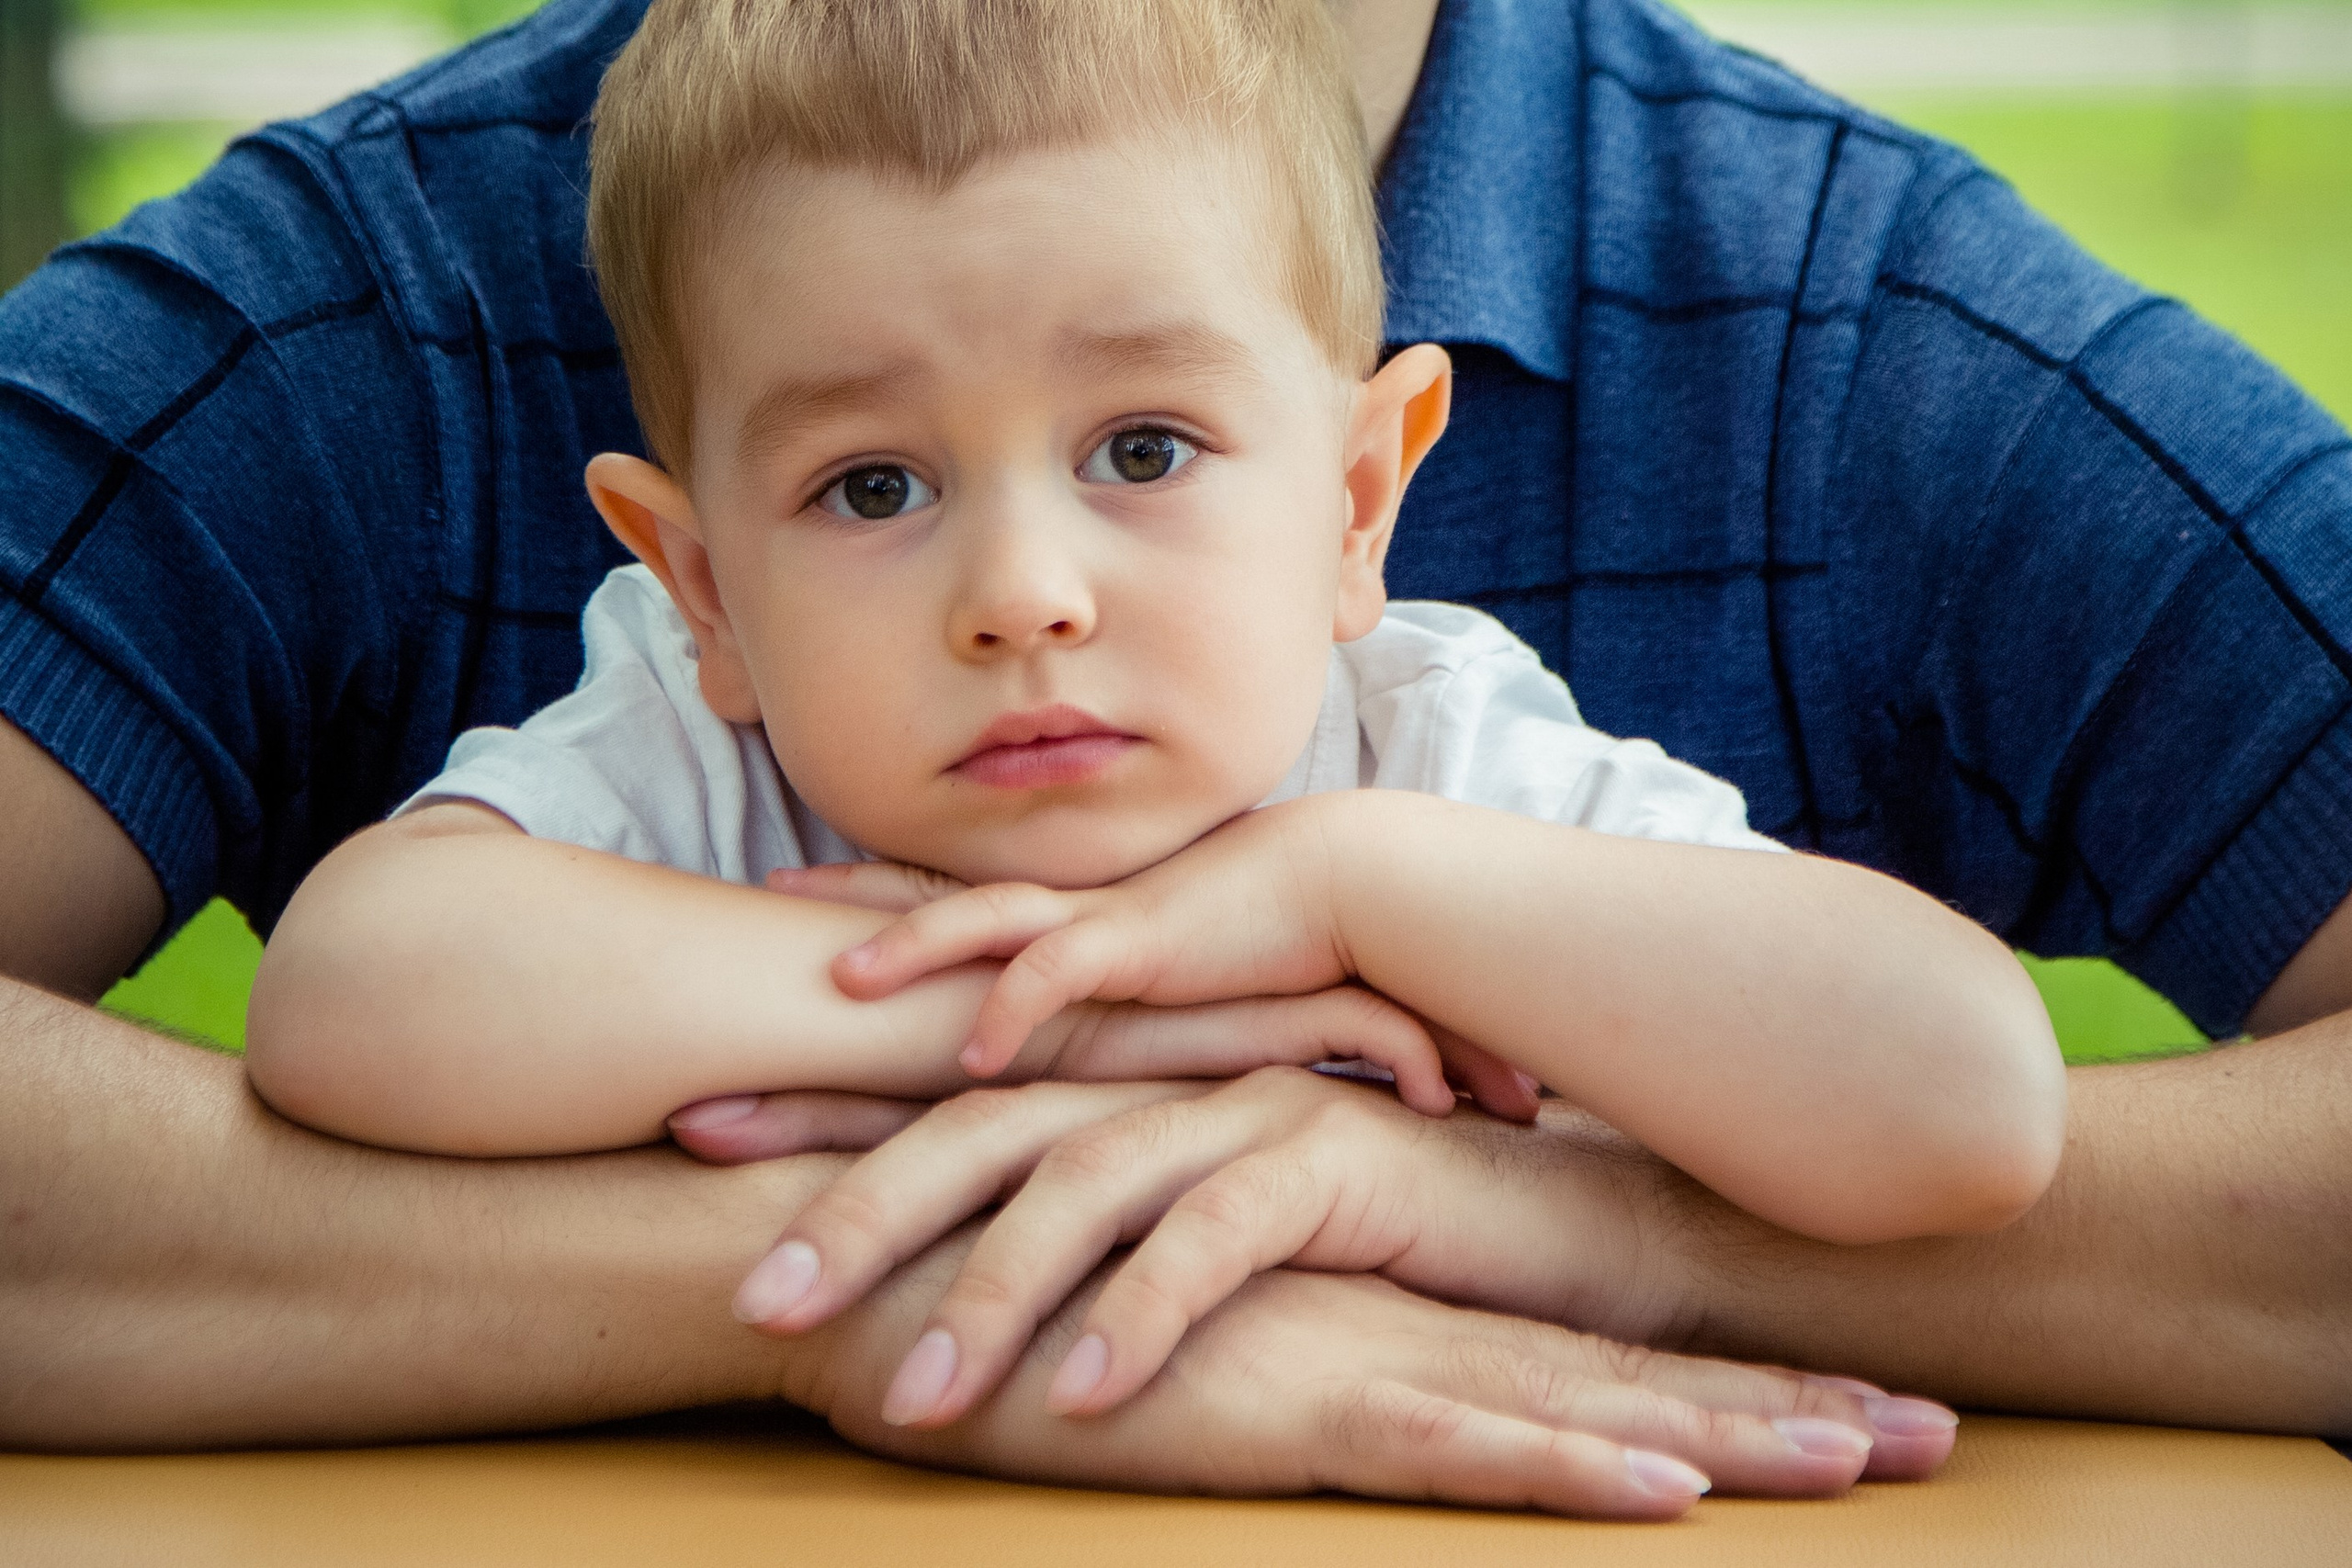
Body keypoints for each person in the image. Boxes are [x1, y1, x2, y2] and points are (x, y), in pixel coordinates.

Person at [0, 0, 2343, 1498]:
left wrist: (1355, 923)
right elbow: (362, 989)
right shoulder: (689, 748)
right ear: (694, 578)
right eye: (871, 489)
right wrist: (1025, 1019)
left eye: (1141, 444)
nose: (1022, 588)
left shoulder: (1436, 751)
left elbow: (1957, 1092)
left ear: (1357, 494)